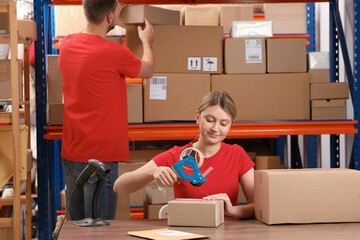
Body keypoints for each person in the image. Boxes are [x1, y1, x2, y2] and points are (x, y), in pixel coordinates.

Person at [59, 0, 154, 220]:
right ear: (110, 18)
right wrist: (147, 41)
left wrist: (113, 12)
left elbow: (96, 29)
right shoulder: (115, 53)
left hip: (73, 154)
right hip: (101, 159)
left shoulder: (67, 44)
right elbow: (147, 69)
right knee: (99, 231)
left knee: (77, 231)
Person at [114, 91, 255, 219]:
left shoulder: (237, 155)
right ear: (197, 117)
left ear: (231, 125)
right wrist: (153, 172)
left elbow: (260, 206)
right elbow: (119, 186)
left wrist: (231, 210)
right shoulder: (177, 156)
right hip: (186, 231)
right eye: (210, 120)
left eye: (223, 123)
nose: (215, 128)